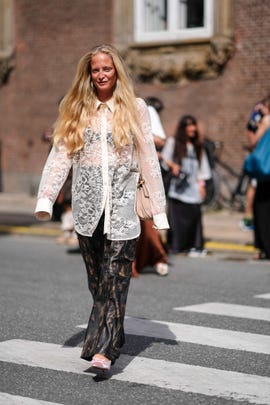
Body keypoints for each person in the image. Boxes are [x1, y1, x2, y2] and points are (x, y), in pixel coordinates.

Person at [34, 44, 169, 372]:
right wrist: (45, 198)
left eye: (107, 68)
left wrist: (159, 209)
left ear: (116, 71)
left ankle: (104, 350)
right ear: (88, 74)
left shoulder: (135, 108)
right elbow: (61, 155)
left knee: (116, 277)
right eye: (95, 69)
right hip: (87, 210)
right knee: (97, 282)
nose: (101, 74)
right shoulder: (77, 107)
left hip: (123, 210)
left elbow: (149, 158)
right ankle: (113, 334)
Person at [161, 114, 211, 257]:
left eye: (193, 124)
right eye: (189, 125)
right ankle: (176, 246)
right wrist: (173, 166)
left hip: (193, 187)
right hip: (178, 187)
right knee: (177, 219)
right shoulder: (173, 142)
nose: (192, 128)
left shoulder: (197, 146)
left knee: (194, 215)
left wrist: (202, 185)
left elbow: (203, 168)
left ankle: (193, 245)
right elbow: (164, 158)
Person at [132, 96, 168, 277]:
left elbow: (161, 140)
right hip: (118, 172)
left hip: (142, 173)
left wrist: (136, 133)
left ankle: (156, 256)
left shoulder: (144, 108)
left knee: (146, 218)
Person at [248, 96, 270, 259]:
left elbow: (254, 142)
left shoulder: (267, 120)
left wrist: (256, 124)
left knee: (262, 209)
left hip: (266, 172)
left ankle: (264, 246)